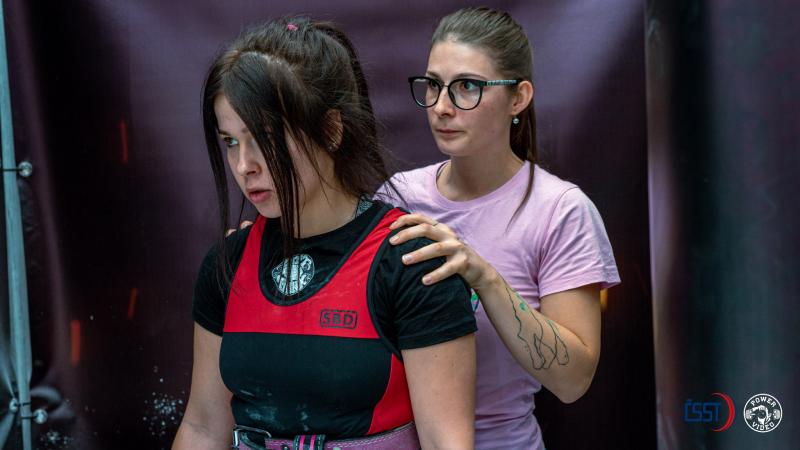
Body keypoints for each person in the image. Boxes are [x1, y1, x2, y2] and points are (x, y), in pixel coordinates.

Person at [173, 17, 477, 450]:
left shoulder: (411, 262)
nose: (244, 166)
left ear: (331, 130)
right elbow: (204, 427)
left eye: (265, 137)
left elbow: (447, 442)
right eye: (231, 141)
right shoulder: (228, 262)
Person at [376, 7, 621, 450]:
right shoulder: (398, 197)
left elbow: (572, 380)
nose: (442, 107)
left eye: (467, 86)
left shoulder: (559, 210)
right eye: (433, 85)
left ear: (518, 97)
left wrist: (483, 277)